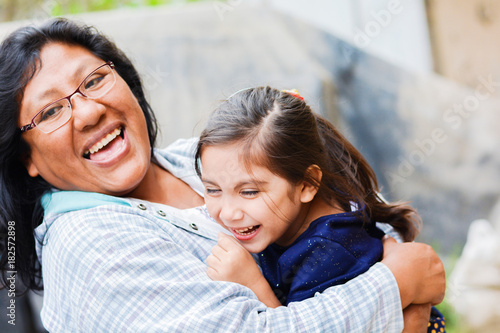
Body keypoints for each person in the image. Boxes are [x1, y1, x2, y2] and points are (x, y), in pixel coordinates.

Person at [0, 18, 445, 332]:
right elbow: (407, 268)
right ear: (28, 159)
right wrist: (395, 288)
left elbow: (359, 211)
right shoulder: (90, 245)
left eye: (94, 80)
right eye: (52, 110)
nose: (90, 110)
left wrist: (396, 264)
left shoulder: (196, 158)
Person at [195, 86, 446, 332]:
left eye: (249, 192)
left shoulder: (328, 252)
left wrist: (252, 283)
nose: (228, 213)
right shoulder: (305, 211)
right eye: (213, 190)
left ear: (307, 184)